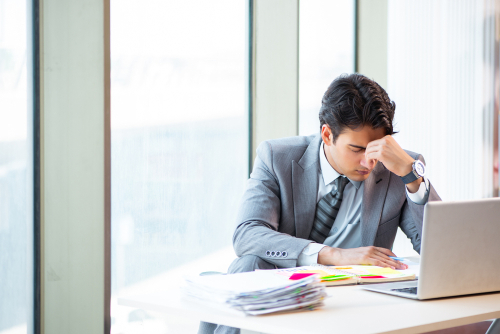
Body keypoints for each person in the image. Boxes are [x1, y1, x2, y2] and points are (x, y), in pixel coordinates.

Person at [198, 73, 441, 334]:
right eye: (357, 149)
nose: (369, 162)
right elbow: (248, 235)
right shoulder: (277, 158)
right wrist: (333, 254)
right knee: (247, 266)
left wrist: (411, 175)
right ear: (327, 134)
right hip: (282, 294)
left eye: (377, 149)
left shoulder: (399, 167)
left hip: (357, 305)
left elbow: (440, 252)